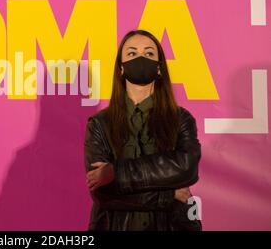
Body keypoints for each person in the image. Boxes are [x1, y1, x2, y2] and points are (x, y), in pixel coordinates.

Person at [84, 29, 202, 231]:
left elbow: (186, 167)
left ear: (159, 68)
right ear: (121, 68)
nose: (140, 58)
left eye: (149, 54)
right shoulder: (99, 124)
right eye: (131, 53)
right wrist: (167, 194)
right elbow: (104, 192)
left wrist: (116, 172)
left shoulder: (181, 119)